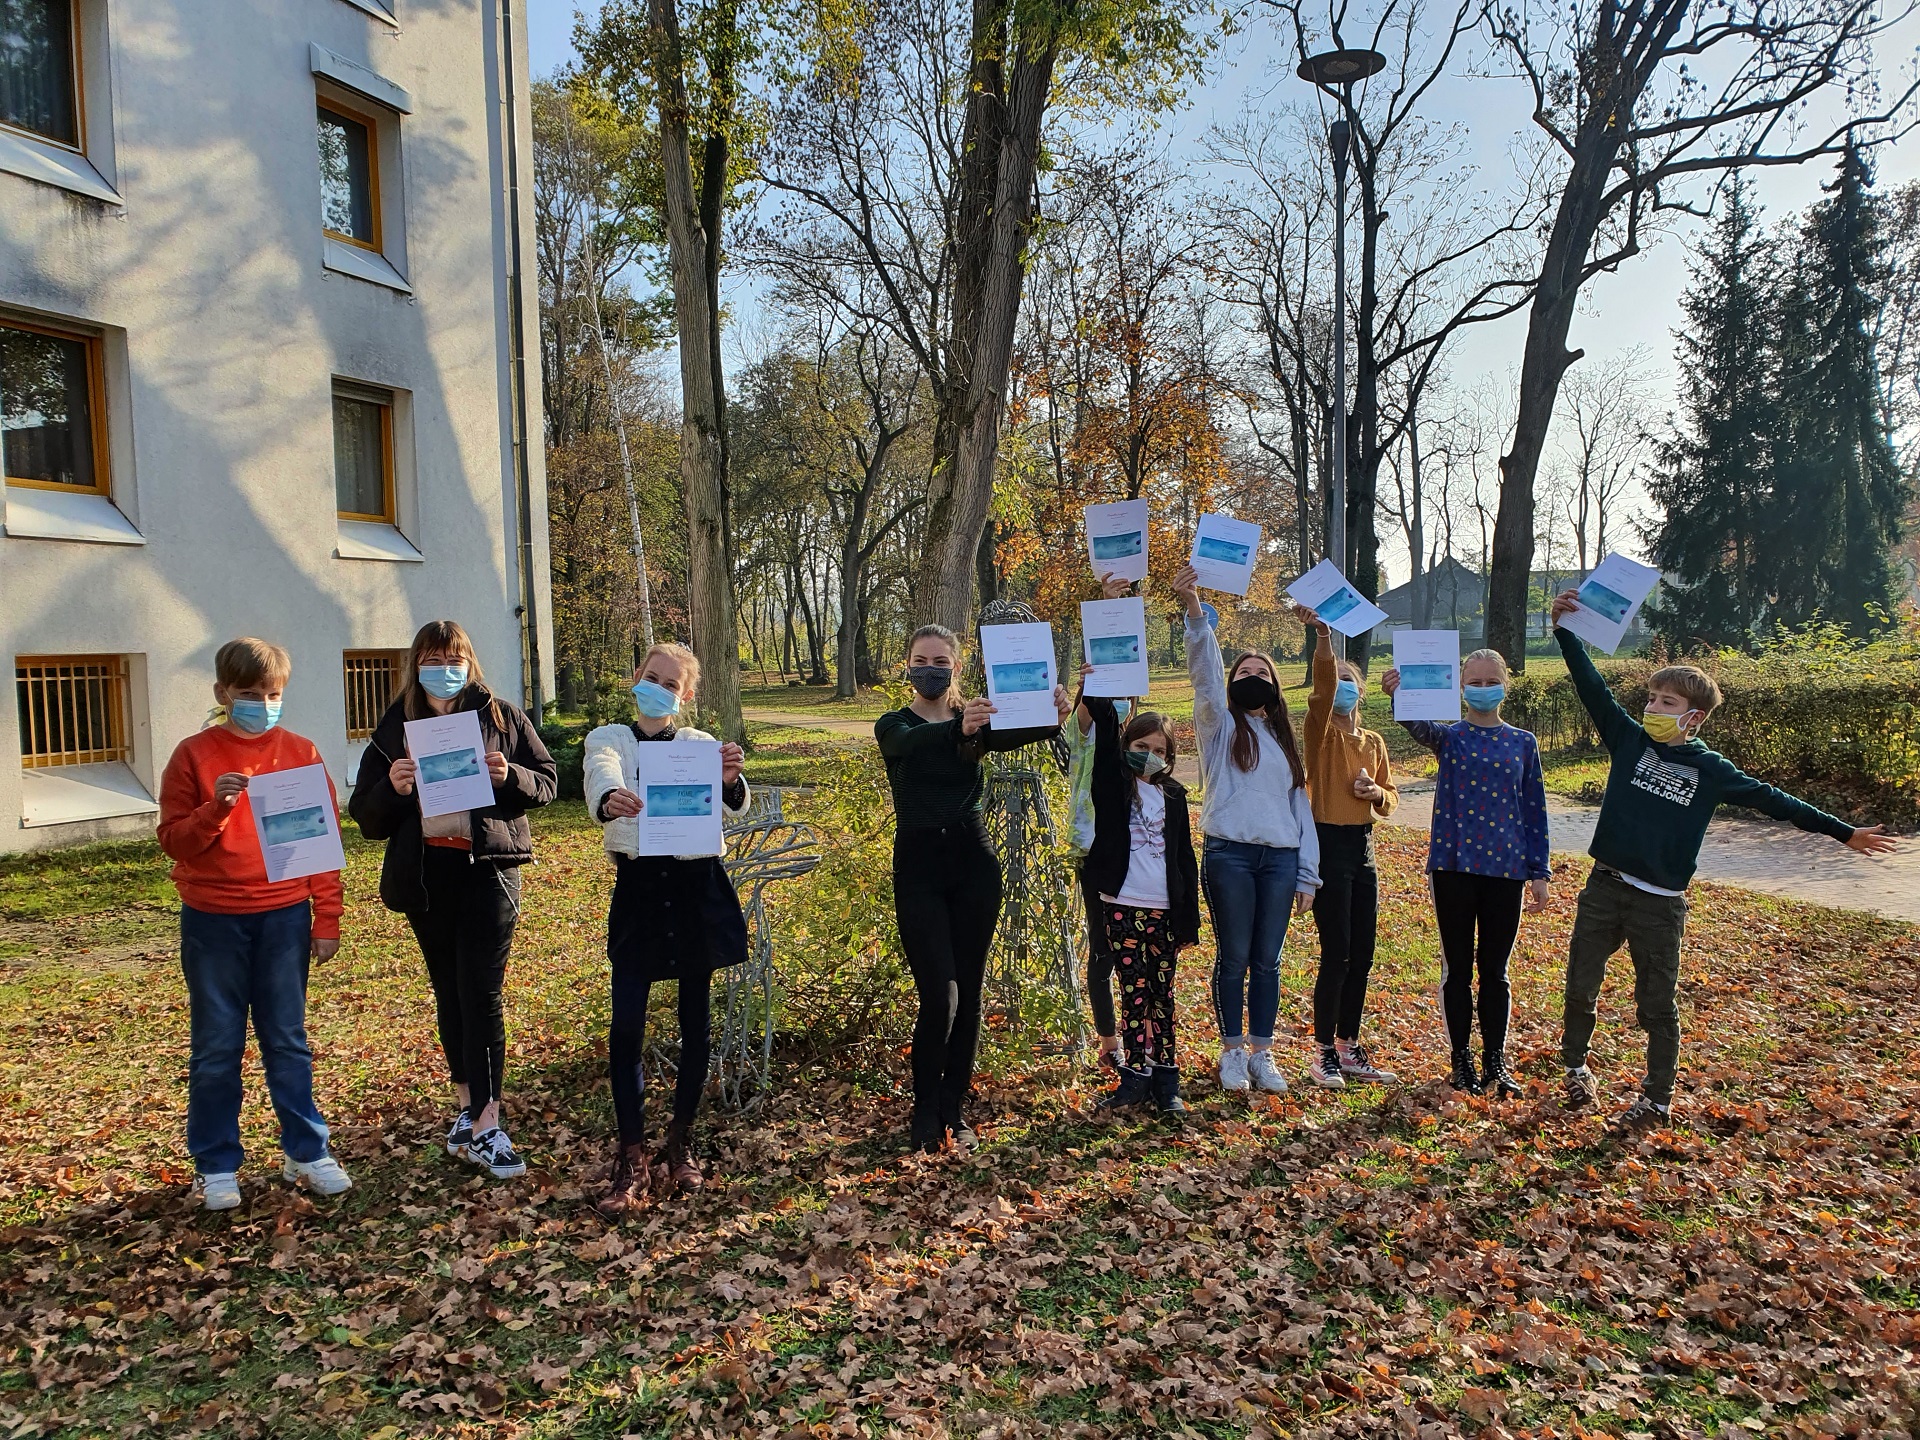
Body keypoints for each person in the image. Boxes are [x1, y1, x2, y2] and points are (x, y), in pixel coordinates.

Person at [1548, 591, 1898, 1128]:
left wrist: (1844, 833)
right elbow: (1591, 687)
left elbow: (1778, 803)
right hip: (1604, 887)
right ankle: (1575, 1068)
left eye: (1667, 703)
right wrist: (1565, 632)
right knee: (1581, 985)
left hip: (1659, 904)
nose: (1653, 708)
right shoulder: (1628, 740)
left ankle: (1657, 1098)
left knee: (1656, 1005)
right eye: (1651, 698)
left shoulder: (1713, 771)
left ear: (1694, 719)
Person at [348, 621, 558, 1180]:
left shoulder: (501, 716)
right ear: (416, 664)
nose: (446, 668)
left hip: (488, 872)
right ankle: (466, 1110)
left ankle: (491, 1123)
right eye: (434, 658)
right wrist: (391, 790)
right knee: (449, 990)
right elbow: (363, 817)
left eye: (455, 657)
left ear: (470, 661)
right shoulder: (394, 728)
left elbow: (548, 781)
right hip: (426, 878)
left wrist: (509, 773)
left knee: (481, 993)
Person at [157, 638, 352, 1210]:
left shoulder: (300, 751)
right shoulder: (192, 756)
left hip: (284, 919)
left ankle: (306, 1150)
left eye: (272, 695)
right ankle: (215, 1164)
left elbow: (321, 844)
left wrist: (327, 918)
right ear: (222, 693)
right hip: (213, 922)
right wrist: (215, 808)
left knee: (288, 1041)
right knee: (217, 1046)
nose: (262, 704)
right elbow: (174, 842)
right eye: (248, 695)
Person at [876, 624, 1071, 1154]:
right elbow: (907, 744)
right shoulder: (892, 723)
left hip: (973, 862)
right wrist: (959, 729)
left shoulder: (978, 722)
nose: (930, 667)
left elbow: (1026, 730)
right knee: (940, 994)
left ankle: (952, 1108)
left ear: (956, 667)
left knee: (970, 992)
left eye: (941, 660)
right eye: (920, 659)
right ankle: (923, 1110)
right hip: (918, 864)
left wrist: (1055, 713)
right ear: (908, 665)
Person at [585, 642, 750, 1214]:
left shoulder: (700, 745)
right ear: (637, 678)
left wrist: (729, 778)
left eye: (671, 683)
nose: (658, 686)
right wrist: (610, 799)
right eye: (650, 676)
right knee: (626, 1026)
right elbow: (599, 776)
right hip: (639, 890)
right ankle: (631, 1156)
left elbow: (731, 807)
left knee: (694, 1023)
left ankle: (680, 1143)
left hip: (694, 887)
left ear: (686, 696)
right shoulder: (609, 737)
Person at [1174, 564, 1320, 1096]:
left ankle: (1264, 1053)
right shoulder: (1221, 726)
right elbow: (1207, 677)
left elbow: (1299, 809)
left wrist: (1307, 874)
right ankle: (1232, 1052)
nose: (1250, 677)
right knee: (1233, 956)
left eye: (1261, 672)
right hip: (1230, 855)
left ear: (1276, 688)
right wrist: (1195, 613)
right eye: (1243, 673)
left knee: (1268, 960)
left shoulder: (1284, 739)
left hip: (1279, 861)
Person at [1382, 649, 1549, 1097]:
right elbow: (1417, 725)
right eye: (1473, 682)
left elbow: (1535, 811)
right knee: (1457, 968)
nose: (1481, 688)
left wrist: (1540, 871)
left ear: (1505, 685)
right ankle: (1461, 1060)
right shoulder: (1450, 738)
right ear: (1460, 687)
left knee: (1495, 971)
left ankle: (1496, 1059)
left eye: (1489, 680)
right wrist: (1400, 694)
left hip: (1507, 869)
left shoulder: (1523, 743)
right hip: (1453, 866)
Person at [1075, 683, 1200, 1114]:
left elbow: (1185, 859)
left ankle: (1166, 1077)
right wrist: (1098, 686)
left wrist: (1190, 920)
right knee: (1133, 993)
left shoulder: (1174, 796)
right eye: (1141, 745)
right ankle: (1135, 1073)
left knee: (1162, 994)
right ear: (1128, 745)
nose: (1150, 755)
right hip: (1122, 905)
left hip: (1165, 911)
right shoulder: (1113, 786)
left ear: (1169, 757)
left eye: (1160, 750)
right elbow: (1106, 729)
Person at [1294, 607, 1399, 1089]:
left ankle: (1348, 1046)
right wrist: (1323, 636)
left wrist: (1377, 795)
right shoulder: (1321, 734)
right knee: (1335, 952)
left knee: (1363, 955)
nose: (1341, 687)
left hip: (1364, 851)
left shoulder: (1373, 740)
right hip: (1327, 846)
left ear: (1358, 689)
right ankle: (1322, 1054)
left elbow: (1390, 795)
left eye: (1347, 680)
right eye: (1335, 681)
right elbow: (1319, 692)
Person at [1066, 574, 1138, 1072]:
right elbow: (1089, 713)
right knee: (1102, 947)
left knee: (1132, 944)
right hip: (1093, 848)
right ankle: (1109, 1039)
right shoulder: (1085, 727)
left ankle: (1141, 1035)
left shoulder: (1137, 730)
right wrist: (1106, 607)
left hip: (1135, 848)